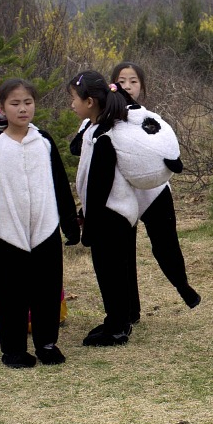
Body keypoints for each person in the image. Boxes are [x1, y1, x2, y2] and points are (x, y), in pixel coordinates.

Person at [0, 80, 79, 368]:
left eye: (27, 102)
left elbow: (60, 185)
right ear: (2, 108)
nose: (22, 108)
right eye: (15, 103)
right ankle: (13, 349)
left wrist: (69, 224)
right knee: (9, 293)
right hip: (6, 232)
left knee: (47, 289)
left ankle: (47, 344)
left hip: (44, 229)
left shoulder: (45, 142)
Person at [111, 61, 200, 322]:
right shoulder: (104, 117)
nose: (127, 86)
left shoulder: (148, 117)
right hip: (122, 193)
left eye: (134, 81)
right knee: (123, 252)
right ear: (112, 84)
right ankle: (130, 310)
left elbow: (164, 143)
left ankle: (183, 285)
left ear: (143, 87)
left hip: (154, 191)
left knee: (165, 242)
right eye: (122, 80)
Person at [70, 71, 140, 346]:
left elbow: (100, 185)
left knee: (111, 272)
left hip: (111, 215)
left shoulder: (104, 137)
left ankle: (117, 328)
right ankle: (117, 320)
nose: (71, 104)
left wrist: (90, 224)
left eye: (73, 99)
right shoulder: (95, 129)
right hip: (113, 214)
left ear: (89, 102)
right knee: (113, 271)